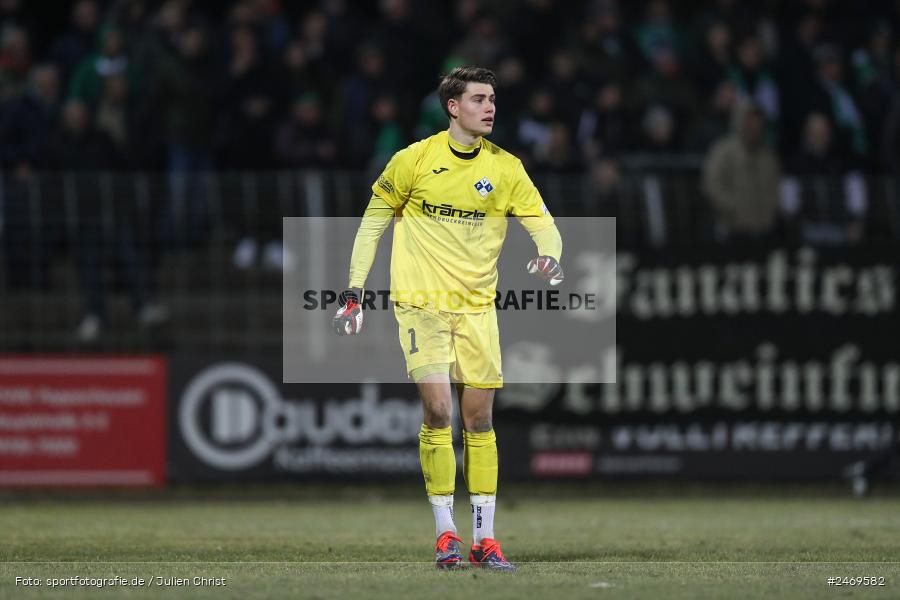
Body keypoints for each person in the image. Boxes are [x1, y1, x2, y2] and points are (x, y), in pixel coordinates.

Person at [333, 66, 564, 571]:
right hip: (421, 305)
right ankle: (446, 535)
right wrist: (354, 290)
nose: (491, 108)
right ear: (453, 107)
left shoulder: (507, 168)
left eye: (494, 99)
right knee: (439, 411)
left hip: (478, 309)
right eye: (480, 99)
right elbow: (371, 225)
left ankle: (485, 540)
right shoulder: (414, 160)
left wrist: (550, 255)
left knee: (479, 419)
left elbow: (543, 223)